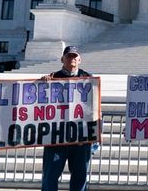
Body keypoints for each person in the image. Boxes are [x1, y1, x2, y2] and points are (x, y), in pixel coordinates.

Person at [40, 45, 94, 191]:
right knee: (50, 176)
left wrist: (94, 136)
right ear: (62, 59)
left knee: (80, 176)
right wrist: (41, 84)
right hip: (56, 138)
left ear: (80, 60)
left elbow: (94, 109)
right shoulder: (51, 78)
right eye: (69, 56)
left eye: (75, 56)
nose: (72, 59)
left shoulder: (89, 79)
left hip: (80, 139)